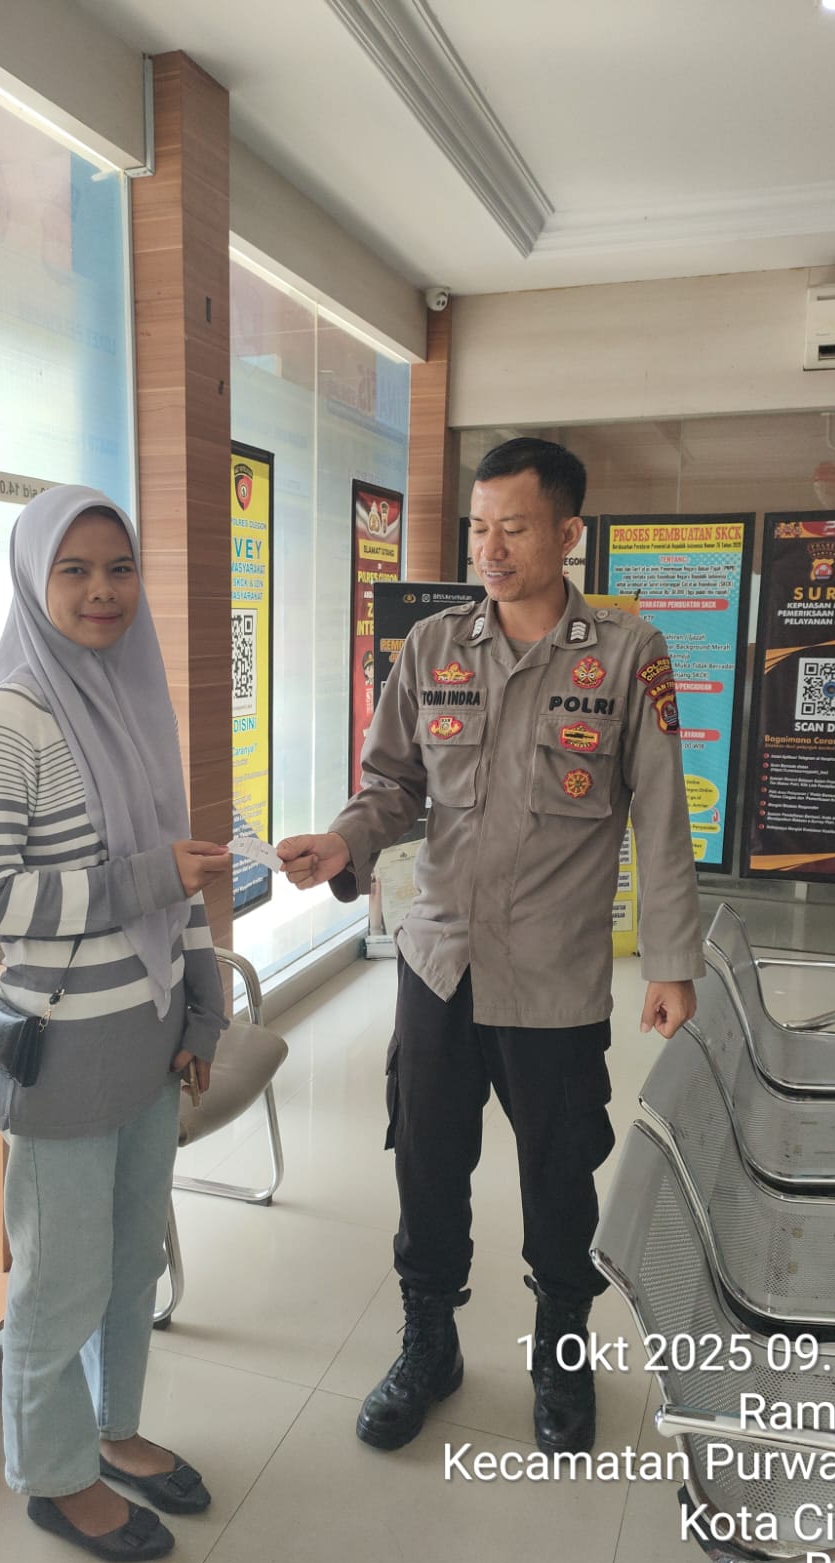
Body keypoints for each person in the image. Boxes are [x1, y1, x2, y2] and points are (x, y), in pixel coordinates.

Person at [278, 437, 702, 1456]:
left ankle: (563, 1352)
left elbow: (660, 813)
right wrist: (345, 841)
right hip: (438, 963)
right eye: (479, 528)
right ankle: (429, 1344)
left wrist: (672, 962)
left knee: (559, 1172)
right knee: (427, 1163)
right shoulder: (433, 647)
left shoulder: (628, 653)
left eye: (514, 527)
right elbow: (392, 785)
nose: (491, 548)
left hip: (553, 974)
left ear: (567, 532)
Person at [0, 485, 231, 1562]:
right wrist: (140, 878)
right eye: (75, 570)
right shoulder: (12, 718)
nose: (103, 591)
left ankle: (113, 1429)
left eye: (120, 568)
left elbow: (181, 879)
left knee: (130, 1262)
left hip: (149, 1045)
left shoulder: (139, 699)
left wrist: (202, 1011)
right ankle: (54, 1475)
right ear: (35, 580)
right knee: (59, 1281)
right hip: (64, 1053)